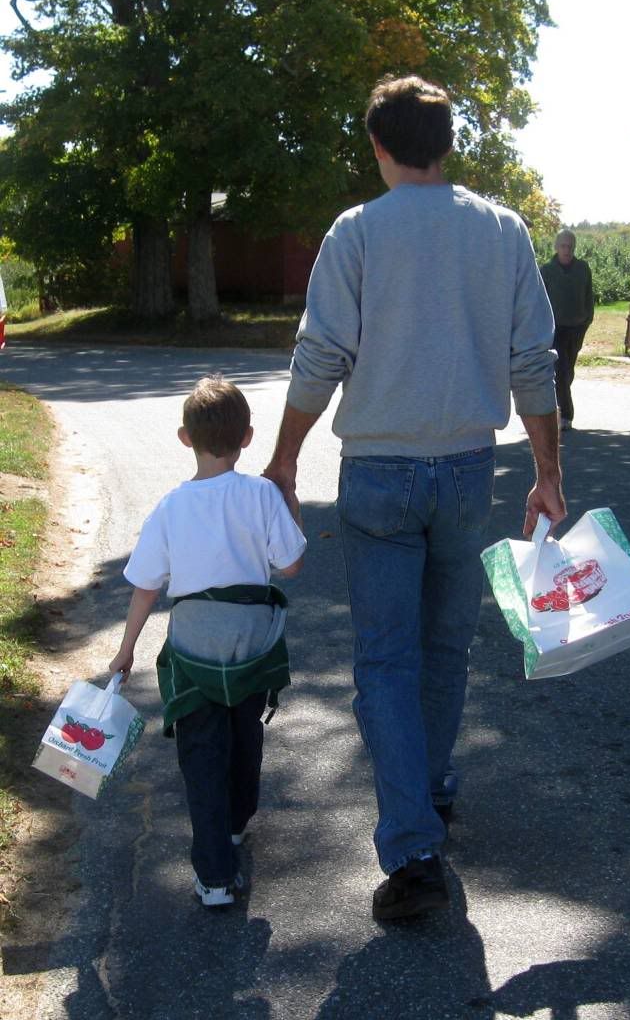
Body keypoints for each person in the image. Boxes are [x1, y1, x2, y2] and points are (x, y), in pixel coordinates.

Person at [264, 74, 566, 922]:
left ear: (379, 145)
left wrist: (284, 458)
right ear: (448, 143)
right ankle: (429, 788)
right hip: (470, 466)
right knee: (445, 651)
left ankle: (414, 845)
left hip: (379, 475)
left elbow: (320, 355)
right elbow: (533, 361)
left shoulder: (357, 232)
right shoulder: (502, 230)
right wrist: (547, 471)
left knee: (387, 662)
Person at [109, 375, 306, 908]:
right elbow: (290, 565)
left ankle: (215, 876)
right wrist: (288, 498)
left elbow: (146, 585)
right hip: (250, 643)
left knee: (201, 751)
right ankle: (238, 822)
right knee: (245, 733)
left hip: (195, 643)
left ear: (183, 438)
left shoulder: (171, 508)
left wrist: (127, 649)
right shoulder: (263, 495)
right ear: (247, 438)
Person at [540, 229, 594, 431]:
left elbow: (589, 296)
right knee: (560, 371)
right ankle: (566, 415)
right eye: (563, 246)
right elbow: (540, 301)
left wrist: (586, 320)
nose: (567, 250)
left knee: (568, 371)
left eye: (570, 246)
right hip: (556, 329)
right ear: (556, 247)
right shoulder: (547, 270)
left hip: (577, 328)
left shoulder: (582, 268)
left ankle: (559, 407)